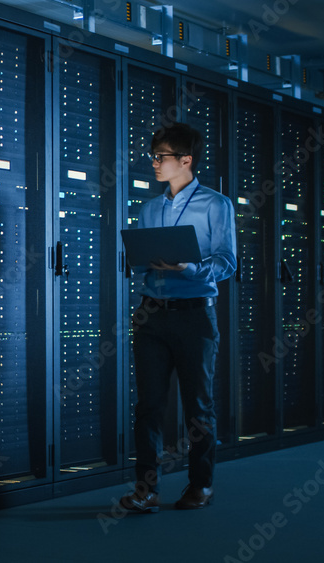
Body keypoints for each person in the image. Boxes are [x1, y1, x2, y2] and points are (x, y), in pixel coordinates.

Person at [120, 122, 237, 513]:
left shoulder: (215, 204)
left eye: (161, 157)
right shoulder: (149, 208)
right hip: (152, 314)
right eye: (153, 156)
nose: (154, 163)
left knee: (198, 407)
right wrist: (138, 260)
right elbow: (141, 259)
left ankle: (200, 486)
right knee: (148, 406)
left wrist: (188, 267)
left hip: (194, 317)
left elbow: (227, 262)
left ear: (185, 160)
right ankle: (146, 490)